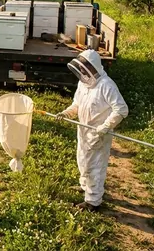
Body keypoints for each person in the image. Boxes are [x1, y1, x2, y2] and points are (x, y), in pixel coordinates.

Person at [56, 49, 129, 211]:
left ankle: (93, 201)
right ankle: (85, 187)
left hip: (99, 134)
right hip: (83, 130)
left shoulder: (106, 85)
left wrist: (105, 127)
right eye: (81, 69)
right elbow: (77, 104)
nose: (82, 72)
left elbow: (121, 109)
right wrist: (66, 112)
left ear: (93, 67)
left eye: (84, 69)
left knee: (94, 166)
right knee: (82, 160)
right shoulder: (84, 83)